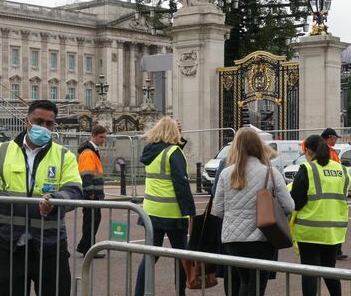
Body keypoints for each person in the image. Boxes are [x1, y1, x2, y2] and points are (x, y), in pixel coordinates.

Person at [0, 100, 83, 296]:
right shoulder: (1, 150)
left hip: (50, 246)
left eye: (49, 124)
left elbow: (75, 190)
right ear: (27, 121)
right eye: (38, 121)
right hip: (10, 245)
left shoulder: (64, 156)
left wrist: (55, 200)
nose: (44, 127)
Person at [212, 128, 294, 296]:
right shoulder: (270, 172)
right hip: (262, 237)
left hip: (232, 239)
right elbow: (289, 206)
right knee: (257, 286)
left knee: (244, 281)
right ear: (259, 146)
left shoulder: (226, 173)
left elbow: (218, 210)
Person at [133, 116, 195, 296]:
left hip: (151, 210)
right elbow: (181, 184)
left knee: (150, 255)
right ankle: (180, 292)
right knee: (182, 257)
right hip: (173, 212)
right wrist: (190, 212)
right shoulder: (173, 152)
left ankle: (140, 292)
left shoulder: (150, 151)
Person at [290, 135, 350, 296]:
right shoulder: (341, 169)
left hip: (310, 230)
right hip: (333, 231)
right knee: (330, 271)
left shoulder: (307, 169)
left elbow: (295, 201)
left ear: (308, 150)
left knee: (310, 272)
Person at [75, 125, 107, 258]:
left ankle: (85, 246)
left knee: (92, 221)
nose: (103, 140)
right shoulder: (89, 152)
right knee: (91, 221)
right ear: (93, 135)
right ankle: (87, 248)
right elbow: (86, 174)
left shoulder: (91, 151)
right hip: (92, 195)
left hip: (93, 194)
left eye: (104, 137)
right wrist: (91, 193)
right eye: (101, 137)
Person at [320, 128, 346, 260]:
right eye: (335, 138)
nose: (336, 140)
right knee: (334, 222)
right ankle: (334, 251)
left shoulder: (326, 150)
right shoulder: (326, 151)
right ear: (329, 137)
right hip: (331, 192)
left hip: (331, 191)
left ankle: (337, 250)